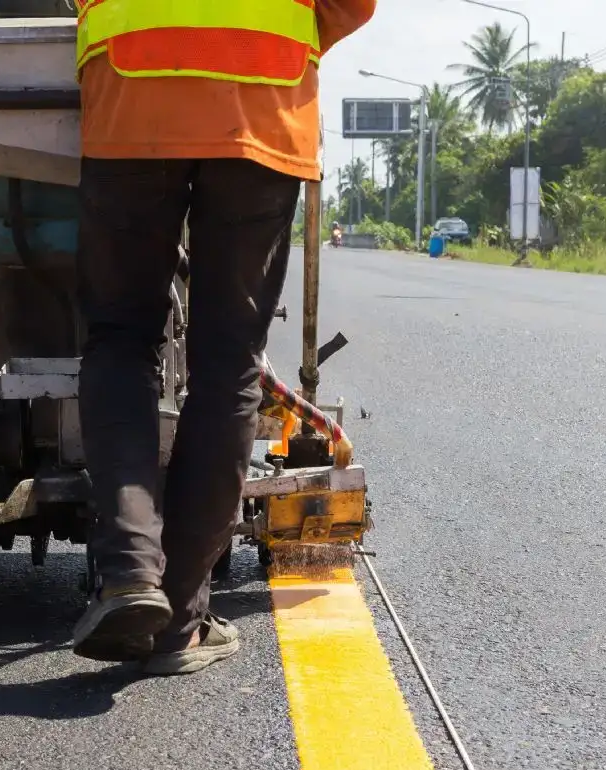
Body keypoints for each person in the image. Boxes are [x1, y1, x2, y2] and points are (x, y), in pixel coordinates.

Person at [72, 0, 377, 672]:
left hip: (133, 93)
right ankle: (177, 624)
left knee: (122, 339)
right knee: (228, 363)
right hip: (263, 103)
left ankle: (129, 573)